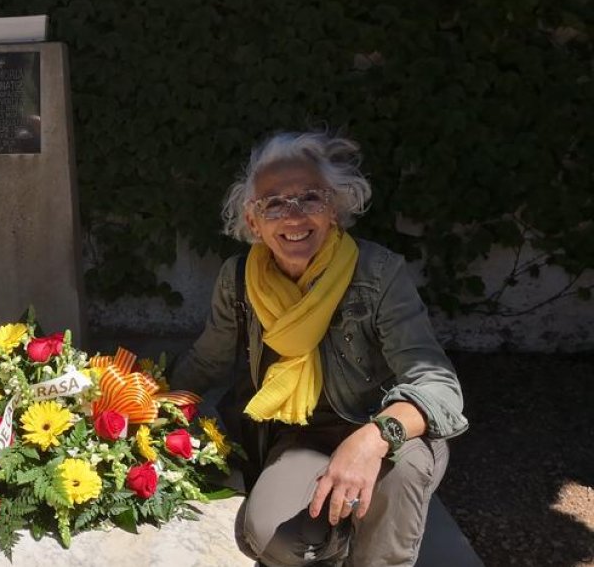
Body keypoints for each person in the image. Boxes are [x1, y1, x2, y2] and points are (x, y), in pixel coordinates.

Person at [170, 132, 467, 567]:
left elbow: (439, 385)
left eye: (310, 198)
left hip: (387, 433)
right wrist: (146, 402)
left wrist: (372, 439)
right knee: (268, 538)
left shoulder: (378, 273)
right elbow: (206, 361)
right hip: (302, 437)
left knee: (401, 473)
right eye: (273, 203)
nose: (293, 216)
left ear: (334, 210)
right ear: (253, 221)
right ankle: (343, 534)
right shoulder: (239, 280)